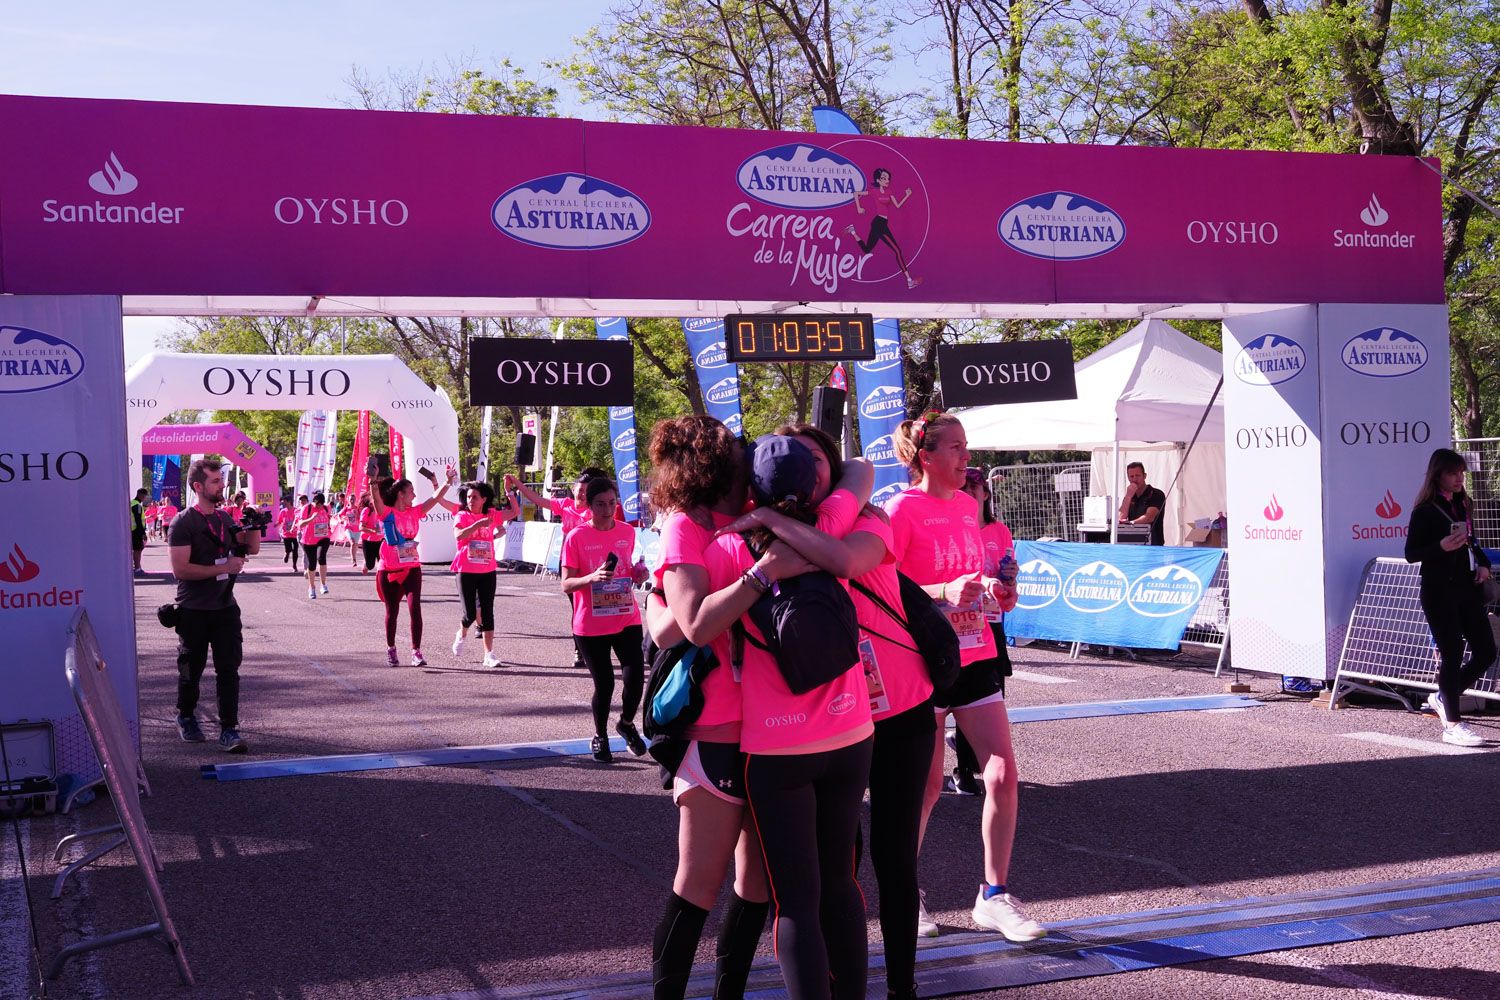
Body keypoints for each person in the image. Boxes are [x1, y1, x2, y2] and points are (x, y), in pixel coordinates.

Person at [713, 432, 883, 1000]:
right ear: (815, 482)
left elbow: (688, 623)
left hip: (778, 747)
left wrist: (752, 516)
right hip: (851, 730)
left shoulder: (734, 547)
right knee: (841, 884)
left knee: (796, 902)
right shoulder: (835, 523)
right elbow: (860, 467)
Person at [886, 411, 1042, 944]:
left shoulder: (969, 507)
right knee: (925, 786)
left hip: (974, 652)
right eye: (955, 448)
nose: (966, 458)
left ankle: (994, 896)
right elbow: (885, 589)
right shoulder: (898, 510)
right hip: (920, 663)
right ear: (925, 455)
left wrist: (996, 595)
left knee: (1002, 774)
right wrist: (942, 593)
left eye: (966, 447)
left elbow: (971, 575)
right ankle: (906, 894)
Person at [642, 415, 775, 1000]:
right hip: (717, 726)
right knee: (698, 883)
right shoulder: (683, 527)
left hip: (780, 728)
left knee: (759, 885)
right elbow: (692, 626)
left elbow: (855, 473)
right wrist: (762, 574)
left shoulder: (764, 511)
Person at [169, 458, 262, 753]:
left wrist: (255, 524)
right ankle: (185, 716)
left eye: (221, 480)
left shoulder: (224, 519)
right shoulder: (183, 522)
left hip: (224, 607)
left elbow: (252, 549)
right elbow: (180, 570)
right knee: (191, 668)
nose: (222, 485)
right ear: (198, 486)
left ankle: (229, 729)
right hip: (194, 609)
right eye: (215, 481)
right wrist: (225, 568)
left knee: (229, 669)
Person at [1405, 448, 1494, 747]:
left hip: (1466, 588)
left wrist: (1482, 563)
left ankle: (1444, 697)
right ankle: (1453, 724)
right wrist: (1440, 546)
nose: (1459, 478)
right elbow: (1411, 554)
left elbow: (1472, 541)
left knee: (1486, 651)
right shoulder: (1425, 511)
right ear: (1437, 475)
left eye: (1461, 473)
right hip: (1438, 590)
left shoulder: (1462, 504)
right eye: (1452, 473)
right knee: (1452, 652)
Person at [560, 476, 650, 761]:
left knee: (635, 679)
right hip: (591, 623)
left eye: (612, 503)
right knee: (606, 684)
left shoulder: (627, 531)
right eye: (600, 504)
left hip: (626, 616)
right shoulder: (576, 537)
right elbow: (566, 584)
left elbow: (628, 568)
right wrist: (591, 577)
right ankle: (600, 736)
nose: (607, 510)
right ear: (589, 504)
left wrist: (638, 574)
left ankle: (625, 723)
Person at [371, 465, 459, 667]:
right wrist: (372, 480)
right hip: (390, 568)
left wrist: (447, 481)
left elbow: (435, 499)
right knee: (391, 611)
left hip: (411, 567)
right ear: (401, 494)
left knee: (415, 607)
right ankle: (391, 649)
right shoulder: (387, 513)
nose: (415, 494)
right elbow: (376, 499)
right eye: (411, 491)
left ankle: (416, 651)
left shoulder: (415, 512)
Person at [451, 480, 519, 668]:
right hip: (466, 569)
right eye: (468, 497)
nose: (470, 500)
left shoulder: (491, 515)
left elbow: (514, 512)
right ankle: (462, 633)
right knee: (470, 614)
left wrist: (509, 492)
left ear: (484, 499)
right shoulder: (462, 515)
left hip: (487, 569)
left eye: (474, 497)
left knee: (488, 612)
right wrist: (477, 525)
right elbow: (459, 535)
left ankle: (489, 654)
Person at [845, 167, 921, 289]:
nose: (887, 180)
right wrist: (859, 207)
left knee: (867, 250)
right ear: (878, 180)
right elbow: (856, 193)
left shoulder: (889, 192)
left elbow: (897, 205)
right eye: (884, 178)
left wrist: (907, 195)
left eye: (888, 178)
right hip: (879, 223)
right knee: (897, 250)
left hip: (881, 223)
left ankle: (852, 231)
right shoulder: (874, 191)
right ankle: (909, 280)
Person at [293, 491, 334, 599]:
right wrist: (312, 518)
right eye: (317, 504)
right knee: (312, 564)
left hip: (323, 537)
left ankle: (323, 584)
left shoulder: (326, 508)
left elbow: (329, 519)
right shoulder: (307, 508)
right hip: (309, 540)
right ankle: (312, 587)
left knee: (322, 558)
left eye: (320, 504)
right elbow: (300, 524)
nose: (318, 507)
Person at [1117, 461, 1165, 546]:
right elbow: (1120, 518)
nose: (1134, 479)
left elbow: (1149, 517)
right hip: (1132, 544)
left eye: (1138, 475)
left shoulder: (1156, 494)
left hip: (1153, 545)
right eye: (1131, 476)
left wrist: (1131, 523)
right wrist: (1128, 496)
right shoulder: (1129, 496)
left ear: (1144, 476)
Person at [356, 493, 383, 574]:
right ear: (370, 501)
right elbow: (361, 527)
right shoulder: (366, 510)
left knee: (382, 562)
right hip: (368, 541)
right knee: (370, 565)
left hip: (381, 540)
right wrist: (373, 530)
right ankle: (365, 561)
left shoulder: (382, 510)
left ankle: (381, 577)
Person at [276, 500, 300, 573]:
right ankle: (287, 553)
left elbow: (299, 519)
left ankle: (294, 565)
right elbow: (279, 521)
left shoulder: (296, 510)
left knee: (295, 550)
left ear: (289, 502)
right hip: (286, 534)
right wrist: (276, 524)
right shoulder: (283, 511)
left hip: (295, 534)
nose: (284, 503)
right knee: (289, 549)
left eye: (285, 502)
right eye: (283, 502)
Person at [130, 488, 149, 576]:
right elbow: (138, 520)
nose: (145, 498)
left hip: (133, 530)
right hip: (136, 530)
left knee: (137, 549)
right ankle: (137, 568)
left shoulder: (132, 503)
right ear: (141, 495)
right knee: (137, 549)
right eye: (145, 496)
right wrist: (143, 533)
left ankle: (137, 566)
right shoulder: (136, 505)